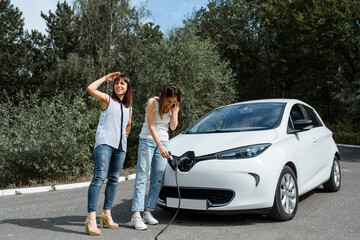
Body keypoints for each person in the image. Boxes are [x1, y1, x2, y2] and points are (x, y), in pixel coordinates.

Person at [85, 72, 132, 236]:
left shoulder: (128, 108)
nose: (119, 86)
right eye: (117, 83)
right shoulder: (107, 100)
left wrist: (126, 133)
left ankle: (106, 214)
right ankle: (91, 218)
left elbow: (129, 125)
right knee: (99, 178)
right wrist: (105, 78)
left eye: (122, 84)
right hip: (104, 144)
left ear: (127, 88)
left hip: (120, 148)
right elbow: (90, 88)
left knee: (113, 179)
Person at [130, 84, 181, 230]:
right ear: (164, 96)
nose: (170, 104)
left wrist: (175, 111)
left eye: (174, 101)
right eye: (169, 101)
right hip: (148, 140)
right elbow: (151, 126)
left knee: (157, 179)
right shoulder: (153, 102)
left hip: (163, 142)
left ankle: (147, 212)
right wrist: (160, 146)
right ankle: (136, 215)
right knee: (141, 177)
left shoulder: (173, 106)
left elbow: (172, 127)